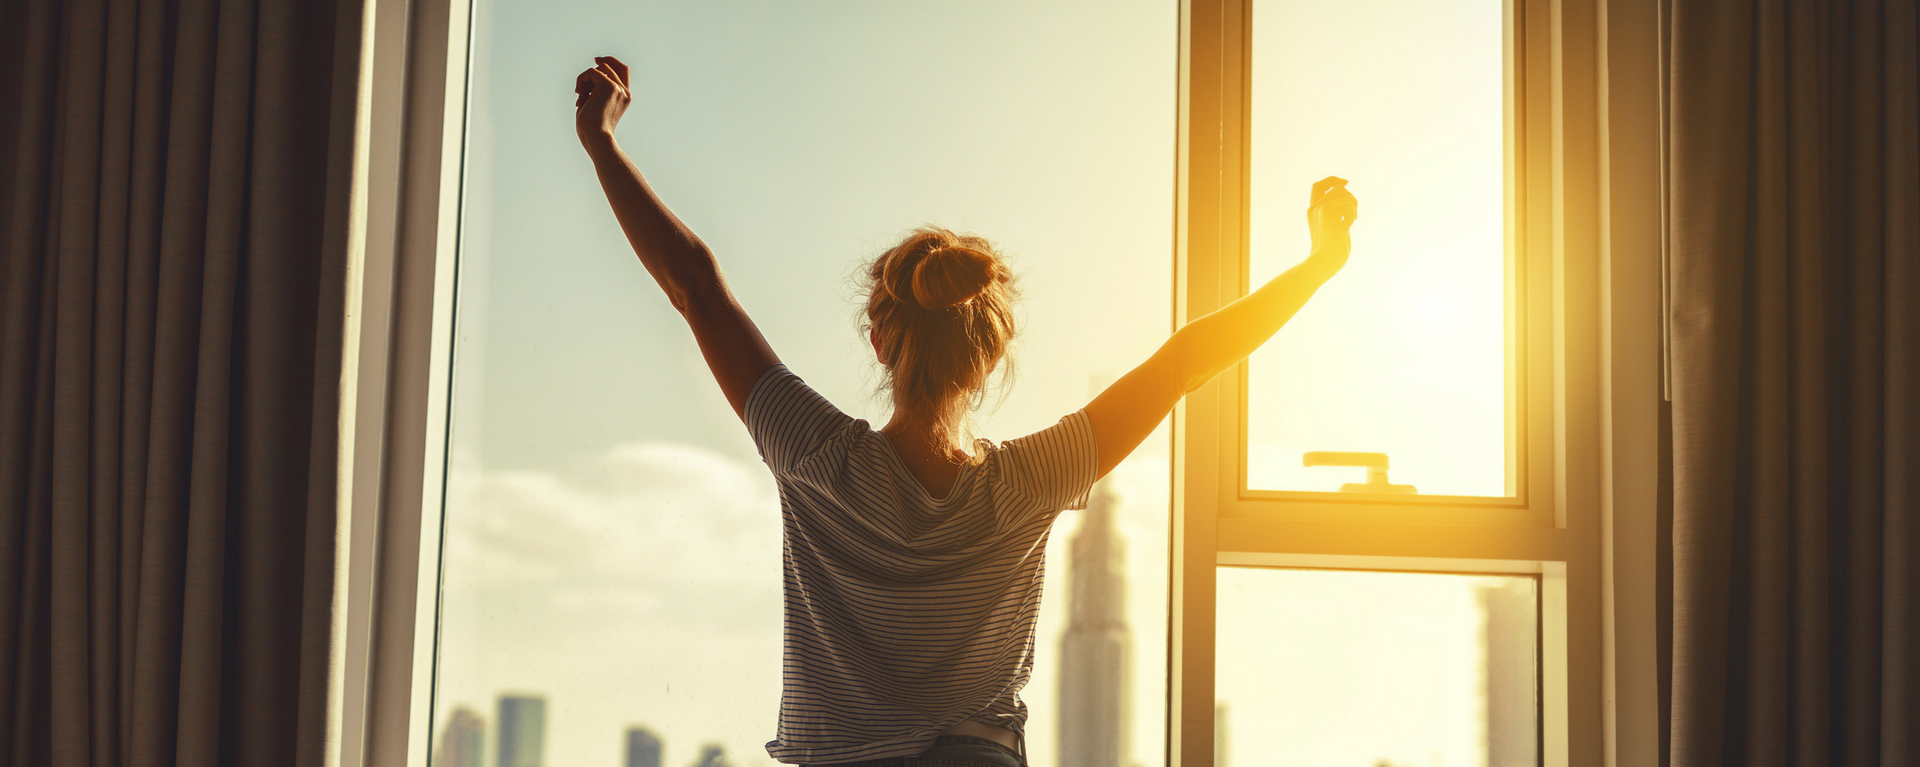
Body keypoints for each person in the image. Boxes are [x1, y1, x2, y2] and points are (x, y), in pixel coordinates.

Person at [574, 56, 1357, 767]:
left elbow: (694, 285)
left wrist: (602, 144)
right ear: (990, 357)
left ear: (880, 341)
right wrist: (1318, 266)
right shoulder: (1032, 480)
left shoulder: (815, 455)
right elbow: (1188, 357)